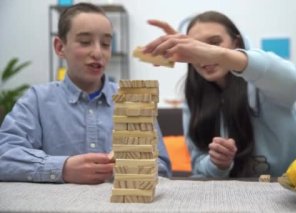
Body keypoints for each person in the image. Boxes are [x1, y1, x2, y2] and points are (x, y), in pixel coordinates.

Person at [0, 3, 171, 184]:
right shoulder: (36, 100)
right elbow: (4, 155)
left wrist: (128, 169)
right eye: (85, 42)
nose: (98, 52)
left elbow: (162, 167)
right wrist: (62, 168)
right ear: (59, 47)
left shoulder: (133, 101)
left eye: (106, 44)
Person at [144, 11, 296, 178]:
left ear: (236, 43)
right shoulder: (194, 98)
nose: (205, 54)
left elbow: (292, 80)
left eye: (214, 43)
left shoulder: (261, 81)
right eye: (197, 48)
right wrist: (217, 164)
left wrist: (221, 56)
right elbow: (199, 164)